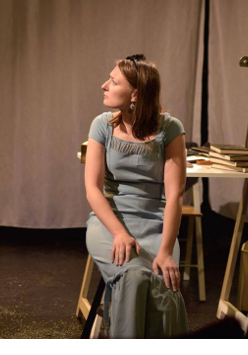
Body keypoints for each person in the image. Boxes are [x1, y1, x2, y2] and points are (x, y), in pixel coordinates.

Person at [84, 54, 188, 338]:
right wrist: (119, 233)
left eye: (114, 81)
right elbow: (93, 189)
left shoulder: (170, 129)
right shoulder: (102, 125)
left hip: (155, 223)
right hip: (111, 222)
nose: (104, 85)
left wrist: (166, 251)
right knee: (134, 275)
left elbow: (175, 195)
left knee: (161, 281)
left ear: (135, 94)